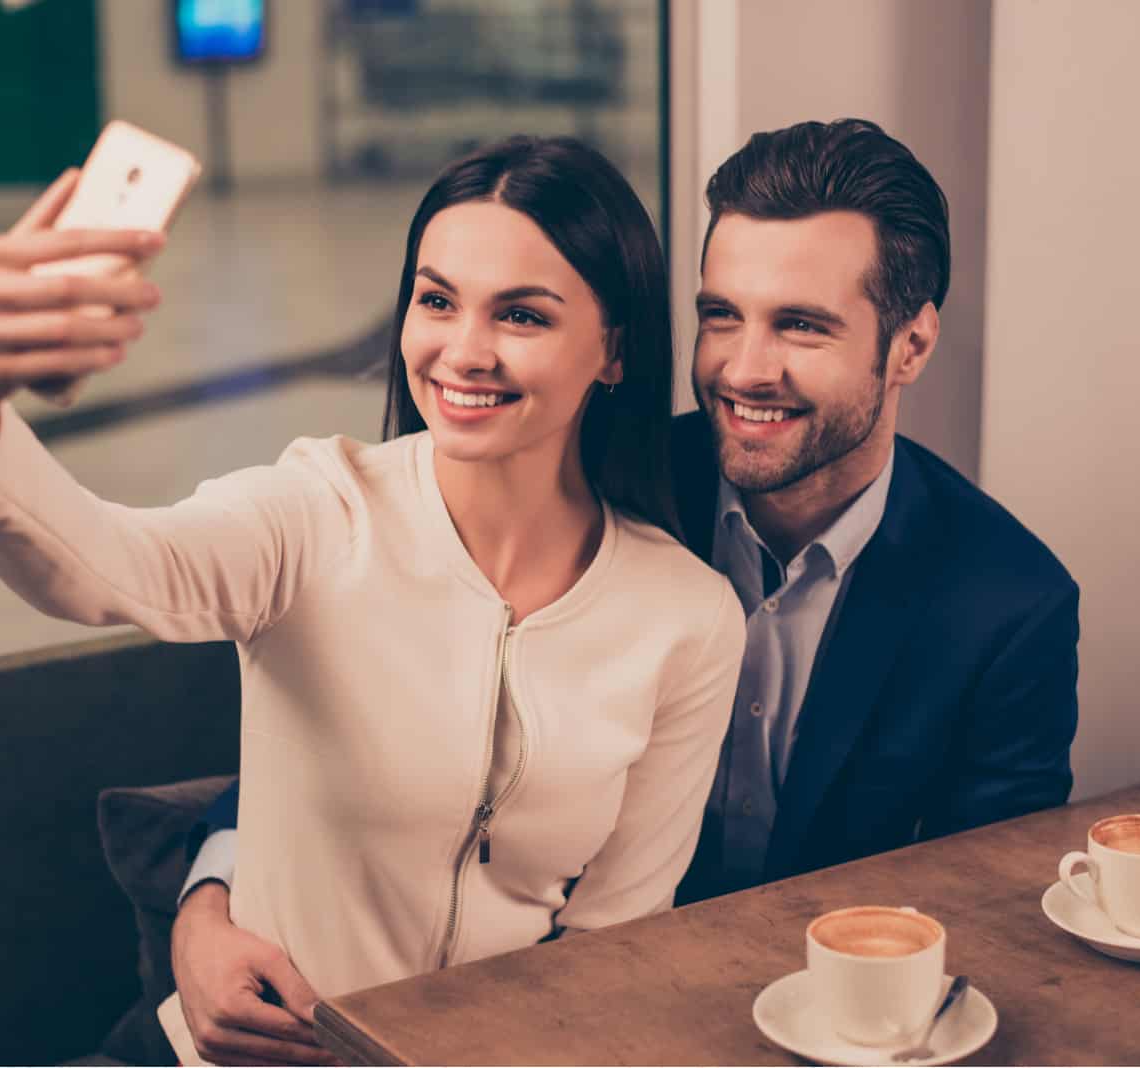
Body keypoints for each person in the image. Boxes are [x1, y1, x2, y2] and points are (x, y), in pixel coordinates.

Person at [172, 118, 1080, 1064]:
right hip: (549, 1017)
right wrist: (207, 906)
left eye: (801, 325)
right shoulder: (578, 469)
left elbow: (991, 907)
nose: (743, 368)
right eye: (722, 314)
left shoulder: (1009, 603)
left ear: (911, 344)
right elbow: (347, 716)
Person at [0, 135, 747, 1066]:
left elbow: (611, 948)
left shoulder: (688, 619)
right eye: (436, 300)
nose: (462, 351)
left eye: (521, 315)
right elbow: (105, 569)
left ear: (613, 350)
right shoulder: (314, 512)